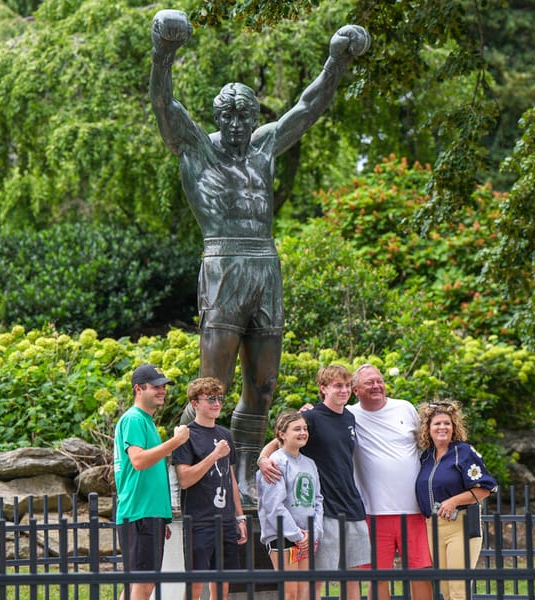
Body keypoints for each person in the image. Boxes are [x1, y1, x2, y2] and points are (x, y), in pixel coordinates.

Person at [149, 9, 371, 504]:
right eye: (227, 115)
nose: (235, 123)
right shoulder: (195, 149)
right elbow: (163, 104)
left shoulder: (265, 146)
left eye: (244, 115)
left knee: (265, 386)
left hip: (265, 266)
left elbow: (309, 107)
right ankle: (183, 463)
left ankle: (246, 468)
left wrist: (336, 59)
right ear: (215, 116)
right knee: (213, 384)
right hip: (223, 264)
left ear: (253, 117)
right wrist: (163, 53)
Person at [258, 365, 371, 600]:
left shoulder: (350, 416)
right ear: (323, 388)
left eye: (347, 385)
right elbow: (281, 438)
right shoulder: (311, 417)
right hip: (325, 509)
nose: (344, 390)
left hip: (352, 505)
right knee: (315, 580)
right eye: (338, 385)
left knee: (353, 576)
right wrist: (262, 459)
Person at [349, 364, 433, 600]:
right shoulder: (349, 416)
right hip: (373, 511)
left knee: (420, 574)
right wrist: (265, 455)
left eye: (379, 380)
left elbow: (428, 442)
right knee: (376, 577)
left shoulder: (405, 408)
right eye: (369, 383)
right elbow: (304, 428)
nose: (377, 386)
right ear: (356, 390)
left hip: (414, 510)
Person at [113, 364, 192, 600]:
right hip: (139, 513)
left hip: (148, 514)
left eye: (163, 387)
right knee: (143, 583)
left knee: (141, 583)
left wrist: (162, 515)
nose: (162, 391)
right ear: (139, 388)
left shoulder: (145, 421)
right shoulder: (134, 419)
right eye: (156, 386)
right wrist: (175, 442)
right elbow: (138, 460)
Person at [171, 377, 248, 600]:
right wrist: (214, 455)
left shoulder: (225, 435)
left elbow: (230, 478)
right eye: (210, 399)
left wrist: (240, 517)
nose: (217, 403)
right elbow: (184, 479)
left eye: (220, 398)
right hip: (199, 520)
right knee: (195, 582)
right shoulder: (186, 434)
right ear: (195, 404)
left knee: (222, 582)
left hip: (225, 519)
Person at [414, 401, 499, 600]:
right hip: (432, 527)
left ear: (454, 427)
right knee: (444, 588)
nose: (442, 427)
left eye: (447, 423)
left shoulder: (464, 452)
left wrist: (453, 501)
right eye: (437, 423)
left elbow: (486, 488)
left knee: (458, 588)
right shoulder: (425, 457)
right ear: (428, 428)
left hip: (461, 524)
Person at [256, 411, 325, 600]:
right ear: (282, 433)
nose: (303, 432)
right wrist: (297, 535)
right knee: (290, 592)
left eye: (305, 429)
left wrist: (314, 531)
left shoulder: (310, 464)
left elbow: (317, 500)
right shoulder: (275, 463)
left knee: (305, 591)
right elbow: (273, 506)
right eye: (297, 429)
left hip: (307, 536)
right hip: (284, 537)